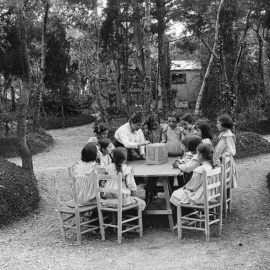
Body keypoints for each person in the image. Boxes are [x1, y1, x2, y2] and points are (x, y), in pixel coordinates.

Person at [170, 143, 216, 207]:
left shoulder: (200, 170)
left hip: (201, 198)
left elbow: (191, 187)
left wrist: (184, 187)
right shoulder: (212, 167)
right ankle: (187, 213)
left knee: (175, 194)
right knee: (180, 192)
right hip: (211, 196)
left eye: (197, 153)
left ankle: (182, 214)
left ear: (200, 155)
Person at [214, 114, 238, 188]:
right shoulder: (223, 134)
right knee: (220, 183)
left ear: (224, 124)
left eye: (218, 123)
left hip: (225, 163)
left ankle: (224, 197)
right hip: (220, 162)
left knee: (225, 182)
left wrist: (221, 157)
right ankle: (221, 197)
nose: (216, 125)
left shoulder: (229, 136)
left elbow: (231, 151)